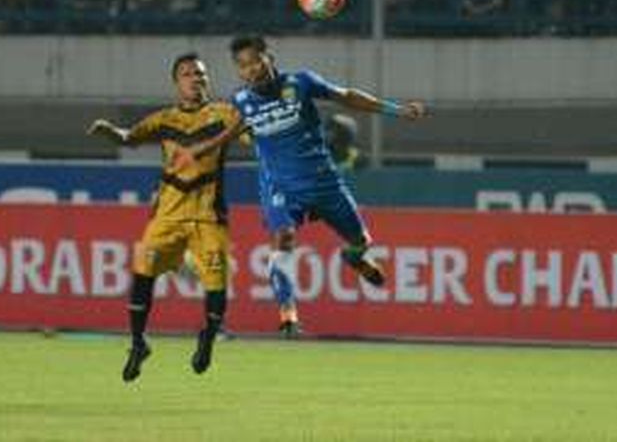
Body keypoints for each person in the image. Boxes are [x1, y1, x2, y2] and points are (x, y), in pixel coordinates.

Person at [176, 35, 426, 338]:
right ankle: (288, 314)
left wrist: (396, 110)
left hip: (323, 182)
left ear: (269, 58)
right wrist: (199, 152)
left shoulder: (301, 82)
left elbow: (346, 95)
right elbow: (231, 132)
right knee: (283, 237)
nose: (250, 70)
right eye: (242, 66)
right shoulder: (240, 100)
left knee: (361, 240)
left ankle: (354, 257)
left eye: (255, 61)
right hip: (280, 186)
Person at [87, 52, 240, 381]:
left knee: (217, 284)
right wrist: (108, 130)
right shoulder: (163, 120)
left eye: (201, 73)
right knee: (142, 272)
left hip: (207, 217)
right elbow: (129, 137)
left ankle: (208, 337)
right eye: (188, 74)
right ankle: (139, 343)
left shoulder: (226, 114)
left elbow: (252, 136)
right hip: (168, 216)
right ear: (176, 82)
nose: (195, 78)